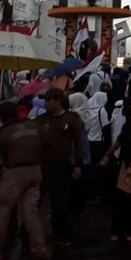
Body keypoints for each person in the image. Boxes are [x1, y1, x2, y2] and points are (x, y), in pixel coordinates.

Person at [0, 101, 48, 260]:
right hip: (36, 170)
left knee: (2, 211)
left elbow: (1, 155)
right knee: (31, 211)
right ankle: (39, 249)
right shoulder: (33, 125)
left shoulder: (2, 133)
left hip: (15, 171)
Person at [37, 87, 84, 245]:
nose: (45, 103)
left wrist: (78, 163)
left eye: (48, 100)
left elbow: (78, 142)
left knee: (59, 202)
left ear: (57, 101)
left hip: (62, 165)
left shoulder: (71, 119)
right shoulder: (41, 120)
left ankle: (60, 235)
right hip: (42, 164)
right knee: (36, 202)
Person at [99, 96, 131, 241]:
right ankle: (124, 230)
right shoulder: (129, 124)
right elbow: (120, 140)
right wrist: (107, 155)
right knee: (124, 199)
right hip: (125, 165)